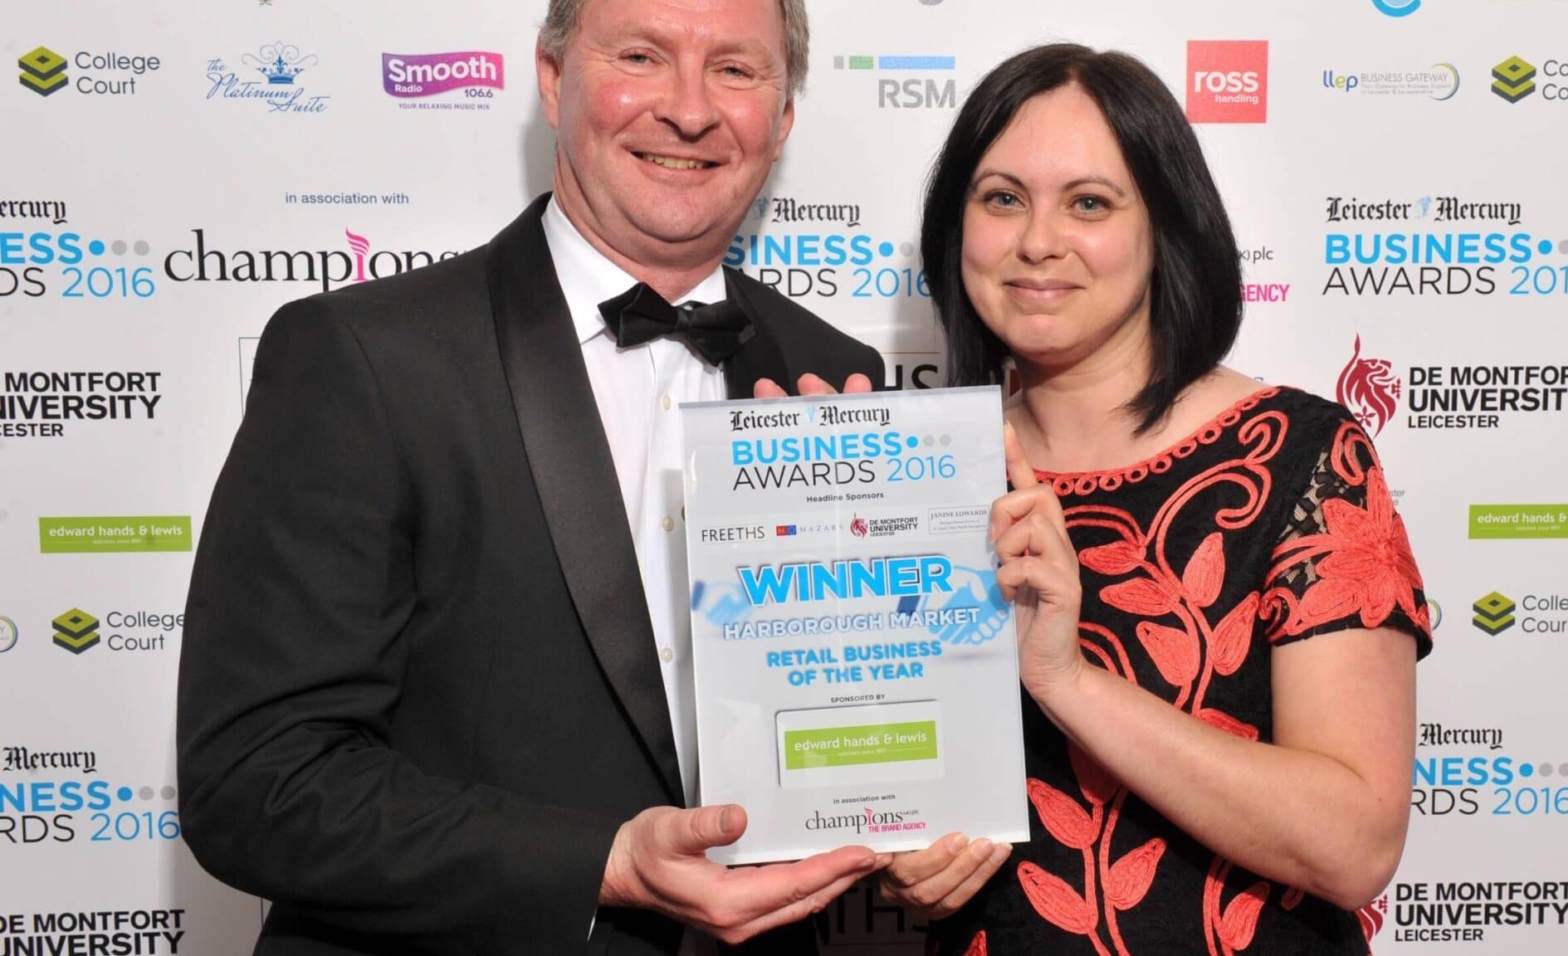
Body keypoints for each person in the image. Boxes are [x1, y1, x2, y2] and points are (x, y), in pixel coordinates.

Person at [175, 1, 887, 955]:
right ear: (555, 80)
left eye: (735, 70)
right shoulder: (365, 357)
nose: (688, 110)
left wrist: (916, 823)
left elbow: (852, 729)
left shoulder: (836, 375)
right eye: (640, 56)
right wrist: (600, 863)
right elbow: (256, 781)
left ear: (785, 113)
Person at [876, 44, 1432, 956]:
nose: (1037, 241)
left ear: (1165, 229)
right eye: (1002, 197)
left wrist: (1065, 679)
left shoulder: (1296, 457)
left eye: (1088, 203)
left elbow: (1355, 846)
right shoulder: (925, 476)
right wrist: (911, 863)